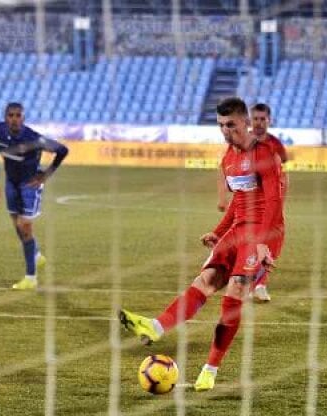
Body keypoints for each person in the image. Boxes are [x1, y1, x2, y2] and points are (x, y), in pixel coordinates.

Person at [119, 96, 284, 392]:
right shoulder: (228, 159)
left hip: (262, 232)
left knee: (234, 292)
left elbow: (273, 201)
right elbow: (238, 201)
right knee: (205, 281)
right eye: (221, 125)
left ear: (246, 123)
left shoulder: (266, 154)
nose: (225, 130)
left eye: (231, 124)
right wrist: (219, 232)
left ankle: (210, 369)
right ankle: (155, 327)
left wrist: (263, 243)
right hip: (237, 230)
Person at [0, 102, 69, 290]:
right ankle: (36, 254)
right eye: (10, 115)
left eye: (18, 115)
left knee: (25, 226)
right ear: (5, 117)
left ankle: (31, 277)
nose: (14, 119)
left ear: (23, 118)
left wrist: (46, 174)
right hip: (11, 183)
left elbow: (63, 150)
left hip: (29, 184)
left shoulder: (33, 138)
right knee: (16, 224)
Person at [217, 101, 287, 302]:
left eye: (262, 119)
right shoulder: (237, 146)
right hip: (249, 210)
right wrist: (223, 198)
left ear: (269, 120)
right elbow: (229, 177)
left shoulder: (273, 146)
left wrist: (279, 203)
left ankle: (259, 284)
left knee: (267, 246)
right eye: (256, 118)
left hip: (270, 203)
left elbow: (283, 176)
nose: (259, 123)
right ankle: (246, 282)